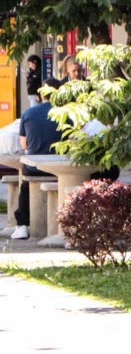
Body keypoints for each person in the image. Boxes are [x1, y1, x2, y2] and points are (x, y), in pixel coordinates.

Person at [12, 77, 64, 240]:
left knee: (25, 183)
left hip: (36, 167)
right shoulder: (67, 114)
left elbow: (24, 145)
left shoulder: (28, 113)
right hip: (61, 167)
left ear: (42, 93)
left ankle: (22, 225)